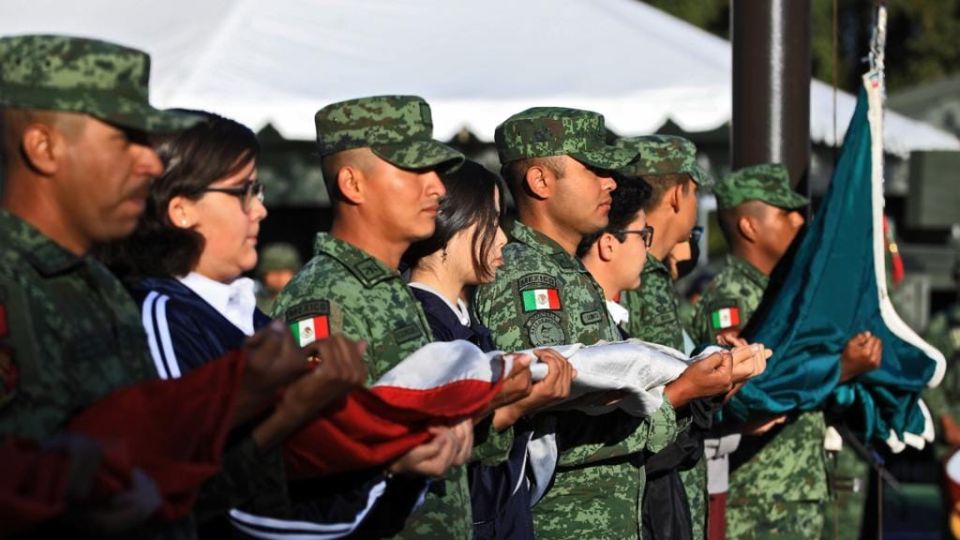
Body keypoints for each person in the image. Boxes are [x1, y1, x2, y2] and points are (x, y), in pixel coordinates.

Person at [0, 35, 362, 538]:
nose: (150, 164)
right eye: (125, 138)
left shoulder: (99, 289)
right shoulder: (25, 286)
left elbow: (174, 494)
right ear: (44, 146)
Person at [473, 107, 735, 540]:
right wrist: (680, 395)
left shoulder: (567, 272)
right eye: (594, 169)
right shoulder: (524, 278)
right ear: (540, 181)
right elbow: (549, 432)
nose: (610, 181)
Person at [271, 95, 479, 539]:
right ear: (353, 184)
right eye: (414, 171)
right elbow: (313, 452)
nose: (438, 189)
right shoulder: (322, 298)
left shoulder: (388, 286)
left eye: (436, 172)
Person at [691, 163, 883, 539]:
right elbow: (758, 391)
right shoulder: (731, 299)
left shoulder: (784, 294)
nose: (800, 220)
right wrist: (840, 369)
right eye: (785, 213)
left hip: (795, 488)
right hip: (758, 496)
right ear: (749, 226)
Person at [403, 160, 577, 539]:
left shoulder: (469, 327)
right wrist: (516, 407)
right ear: (454, 221)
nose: (502, 239)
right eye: (492, 221)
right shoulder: (420, 331)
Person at [614, 135, 715, 539]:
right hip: (656, 492)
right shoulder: (646, 276)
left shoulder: (652, 272)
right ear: (677, 194)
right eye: (694, 193)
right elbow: (668, 384)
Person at [256, 243, 302, 313]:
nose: (279, 277)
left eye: (285, 271)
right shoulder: (251, 303)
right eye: (273, 271)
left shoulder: (306, 303)